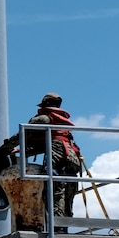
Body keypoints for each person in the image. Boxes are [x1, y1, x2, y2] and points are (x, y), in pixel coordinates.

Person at [27, 93, 82, 224]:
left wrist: (11, 148)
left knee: (54, 194)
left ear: (45, 105)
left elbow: (23, 134)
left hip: (56, 160)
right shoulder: (63, 122)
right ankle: (65, 227)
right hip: (72, 161)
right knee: (68, 197)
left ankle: (57, 229)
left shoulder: (44, 119)